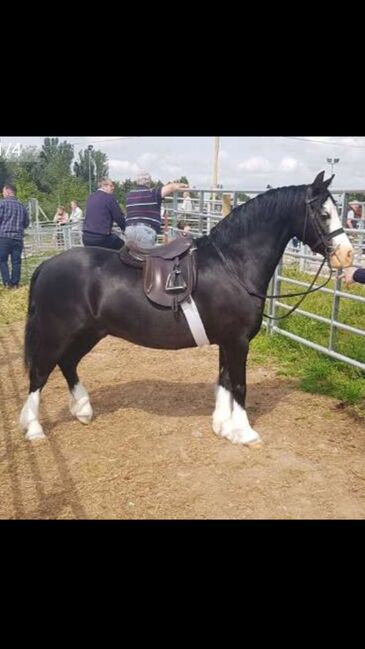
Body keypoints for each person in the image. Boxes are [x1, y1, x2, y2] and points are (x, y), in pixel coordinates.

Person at [125, 171, 189, 248]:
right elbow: (171, 187)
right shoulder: (153, 193)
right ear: (149, 182)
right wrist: (185, 185)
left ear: (137, 181)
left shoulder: (130, 195)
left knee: (133, 256)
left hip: (129, 230)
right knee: (147, 257)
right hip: (145, 231)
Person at [82, 178, 125, 250]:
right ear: (104, 186)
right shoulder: (110, 198)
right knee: (124, 248)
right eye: (111, 186)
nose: (113, 188)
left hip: (86, 238)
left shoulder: (90, 197)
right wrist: (124, 228)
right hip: (101, 239)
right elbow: (118, 217)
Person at [0, 183, 29, 289]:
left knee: (2, 261)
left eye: (3, 191)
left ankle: (7, 283)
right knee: (16, 261)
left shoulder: (2, 204)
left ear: (8, 191)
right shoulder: (22, 206)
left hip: (4, 237)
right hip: (18, 238)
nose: (2, 194)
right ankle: (15, 283)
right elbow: (26, 223)